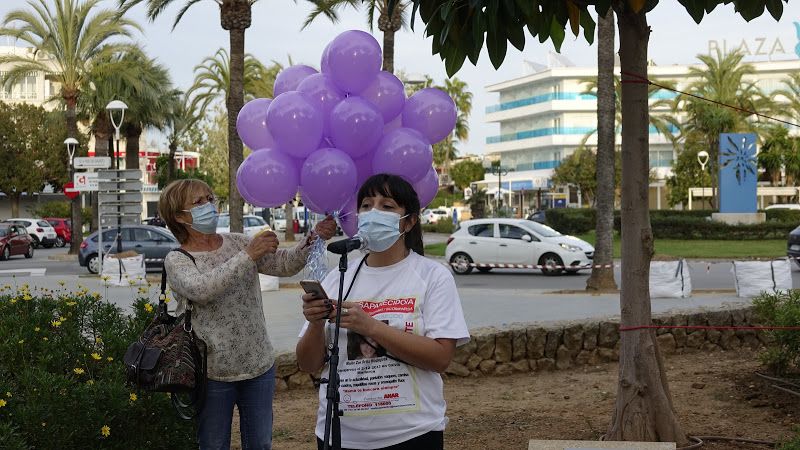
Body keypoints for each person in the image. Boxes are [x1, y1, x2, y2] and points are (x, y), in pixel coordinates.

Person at [158, 179, 337, 450]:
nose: (209, 205)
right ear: (179, 217)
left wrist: (314, 236)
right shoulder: (178, 259)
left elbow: (285, 264)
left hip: (258, 367)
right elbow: (203, 289)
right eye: (198, 202)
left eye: (210, 198)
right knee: (213, 444)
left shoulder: (237, 242)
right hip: (212, 374)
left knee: (260, 444)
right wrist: (249, 255)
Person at [296, 173, 470, 450]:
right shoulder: (337, 278)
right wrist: (316, 323)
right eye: (366, 205)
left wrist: (371, 327)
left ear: (409, 221)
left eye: (387, 206)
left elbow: (440, 358)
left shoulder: (433, 276)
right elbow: (307, 364)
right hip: (340, 435)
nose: (373, 212)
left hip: (413, 434)